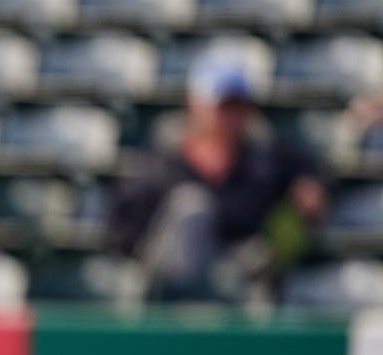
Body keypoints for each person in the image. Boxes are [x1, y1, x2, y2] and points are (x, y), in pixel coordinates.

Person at [108, 54, 327, 304]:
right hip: (170, 279)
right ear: (195, 104)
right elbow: (123, 228)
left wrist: (310, 192)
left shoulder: (268, 159)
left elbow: (315, 175)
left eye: (237, 105)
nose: (229, 115)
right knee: (192, 207)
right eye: (222, 105)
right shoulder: (159, 161)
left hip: (239, 272)